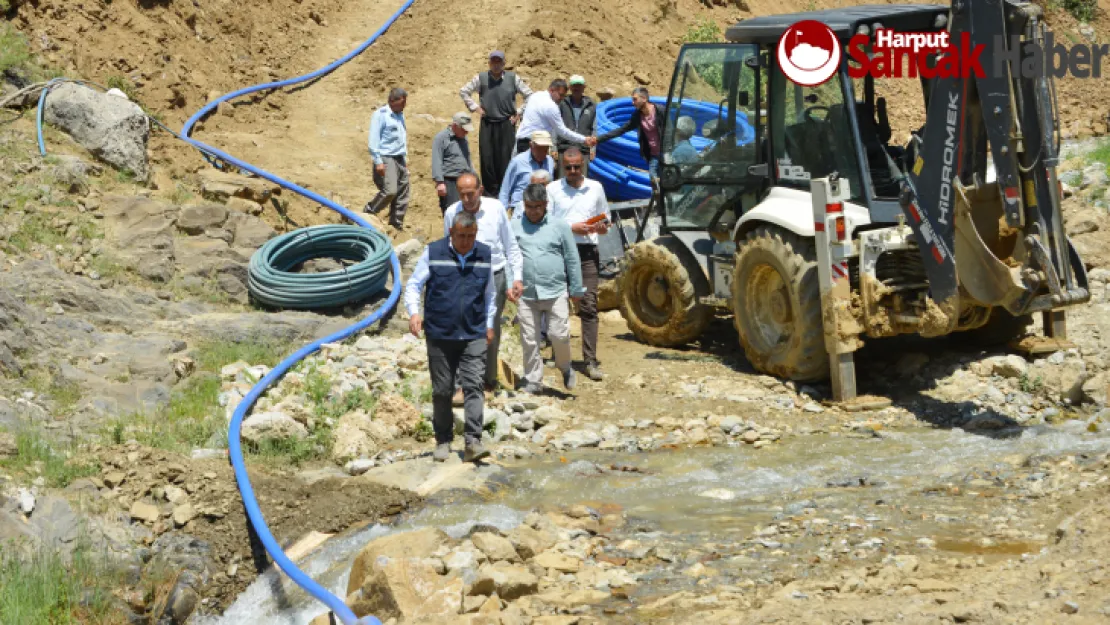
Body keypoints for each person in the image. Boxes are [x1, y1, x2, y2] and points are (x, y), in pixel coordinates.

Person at [404, 210, 496, 463]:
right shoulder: (433, 253)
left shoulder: (485, 255)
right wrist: (414, 314)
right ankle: (443, 440)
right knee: (442, 390)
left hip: (473, 332)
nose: (466, 242)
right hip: (440, 334)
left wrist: (489, 324)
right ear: (451, 234)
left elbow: (490, 295)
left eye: (471, 236)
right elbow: (413, 285)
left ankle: (473, 442)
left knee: (474, 385)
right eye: (461, 236)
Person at [443, 173, 523, 391]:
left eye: (471, 194)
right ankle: (463, 382)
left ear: (480, 189)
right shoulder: (452, 213)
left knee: (490, 327)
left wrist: (516, 278)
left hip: (494, 275)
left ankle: (488, 380)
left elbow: (511, 246)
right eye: (462, 195)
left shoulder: (496, 208)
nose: (467, 199)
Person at [512, 183, 584, 394]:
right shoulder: (514, 226)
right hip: (526, 293)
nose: (533, 211)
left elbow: (572, 257)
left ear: (545, 205)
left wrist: (576, 287)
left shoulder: (560, 226)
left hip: (555, 291)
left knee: (559, 334)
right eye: (528, 206)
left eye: (537, 206)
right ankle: (533, 380)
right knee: (529, 338)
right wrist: (511, 283)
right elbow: (509, 257)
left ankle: (565, 367)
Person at [546, 148, 610, 381]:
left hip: (586, 252)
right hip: (560, 251)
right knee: (557, 303)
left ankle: (590, 360)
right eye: (568, 167)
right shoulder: (552, 189)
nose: (573, 171)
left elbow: (605, 216)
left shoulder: (596, 188)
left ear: (583, 165)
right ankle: (559, 354)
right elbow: (547, 221)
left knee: (589, 306)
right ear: (562, 167)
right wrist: (572, 228)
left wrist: (602, 226)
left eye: (576, 167)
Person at [459, 50, 534, 197]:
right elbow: (464, 91)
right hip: (487, 123)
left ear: (504, 63)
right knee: (487, 159)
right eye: (493, 61)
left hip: (507, 123)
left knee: (506, 158)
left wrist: (519, 112)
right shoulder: (481, 78)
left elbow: (530, 95)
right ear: (489, 63)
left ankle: (506, 192)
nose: (496, 65)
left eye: (499, 62)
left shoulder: (513, 78)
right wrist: (475, 108)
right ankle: (489, 194)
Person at [595, 86, 665, 180]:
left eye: (635, 99)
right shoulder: (637, 116)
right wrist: (598, 139)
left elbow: (670, 131)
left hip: (666, 154)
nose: (633, 103)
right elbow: (622, 130)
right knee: (654, 181)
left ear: (644, 98)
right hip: (653, 156)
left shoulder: (660, 110)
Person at [365, 87, 410, 229]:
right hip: (386, 157)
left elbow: (402, 138)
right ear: (392, 101)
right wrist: (378, 161)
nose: (404, 105)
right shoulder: (381, 115)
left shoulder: (400, 115)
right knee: (390, 190)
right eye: (402, 102)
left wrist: (405, 159)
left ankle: (396, 223)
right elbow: (373, 140)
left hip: (399, 157)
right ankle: (370, 211)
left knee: (403, 190)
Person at [515, 79, 597, 156]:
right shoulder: (551, 106)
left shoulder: (536, 95)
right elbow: (562, 131)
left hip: (521, 142)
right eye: (560, 95)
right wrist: (584, 139)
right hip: (535, 145)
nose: (561, 99)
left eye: (564, 96)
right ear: (551, 90)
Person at [499, 130, 555, 216]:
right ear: (531, 145)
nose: (543, 152)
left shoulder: (550, 161)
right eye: (539, 148)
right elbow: (505, 189)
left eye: (545, 149)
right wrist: (502, 213)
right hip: (521, 209)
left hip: (543, 208)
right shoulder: (518, 161)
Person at [431, 112, 475, 214]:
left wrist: (474, 176)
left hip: (465, 180)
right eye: (463, 129)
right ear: (455, 126)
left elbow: (467, 158)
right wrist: (440, 182)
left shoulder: (464, 138)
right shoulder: (441, 138)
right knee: (452, 210)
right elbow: (436, 160)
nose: (466, 132)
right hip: (450, 181)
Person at [556, 75, 597, 179]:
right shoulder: (562, 103)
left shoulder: (591, 105)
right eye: (574, 85)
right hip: (564, 148)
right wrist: (553, 147)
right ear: (570, 87)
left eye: (579, 85)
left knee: (582, 180)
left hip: (583, 149)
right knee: (563, 179)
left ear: (584, 87)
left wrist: (593, 148)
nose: (576, 88)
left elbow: (594, 128)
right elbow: (554, 126)